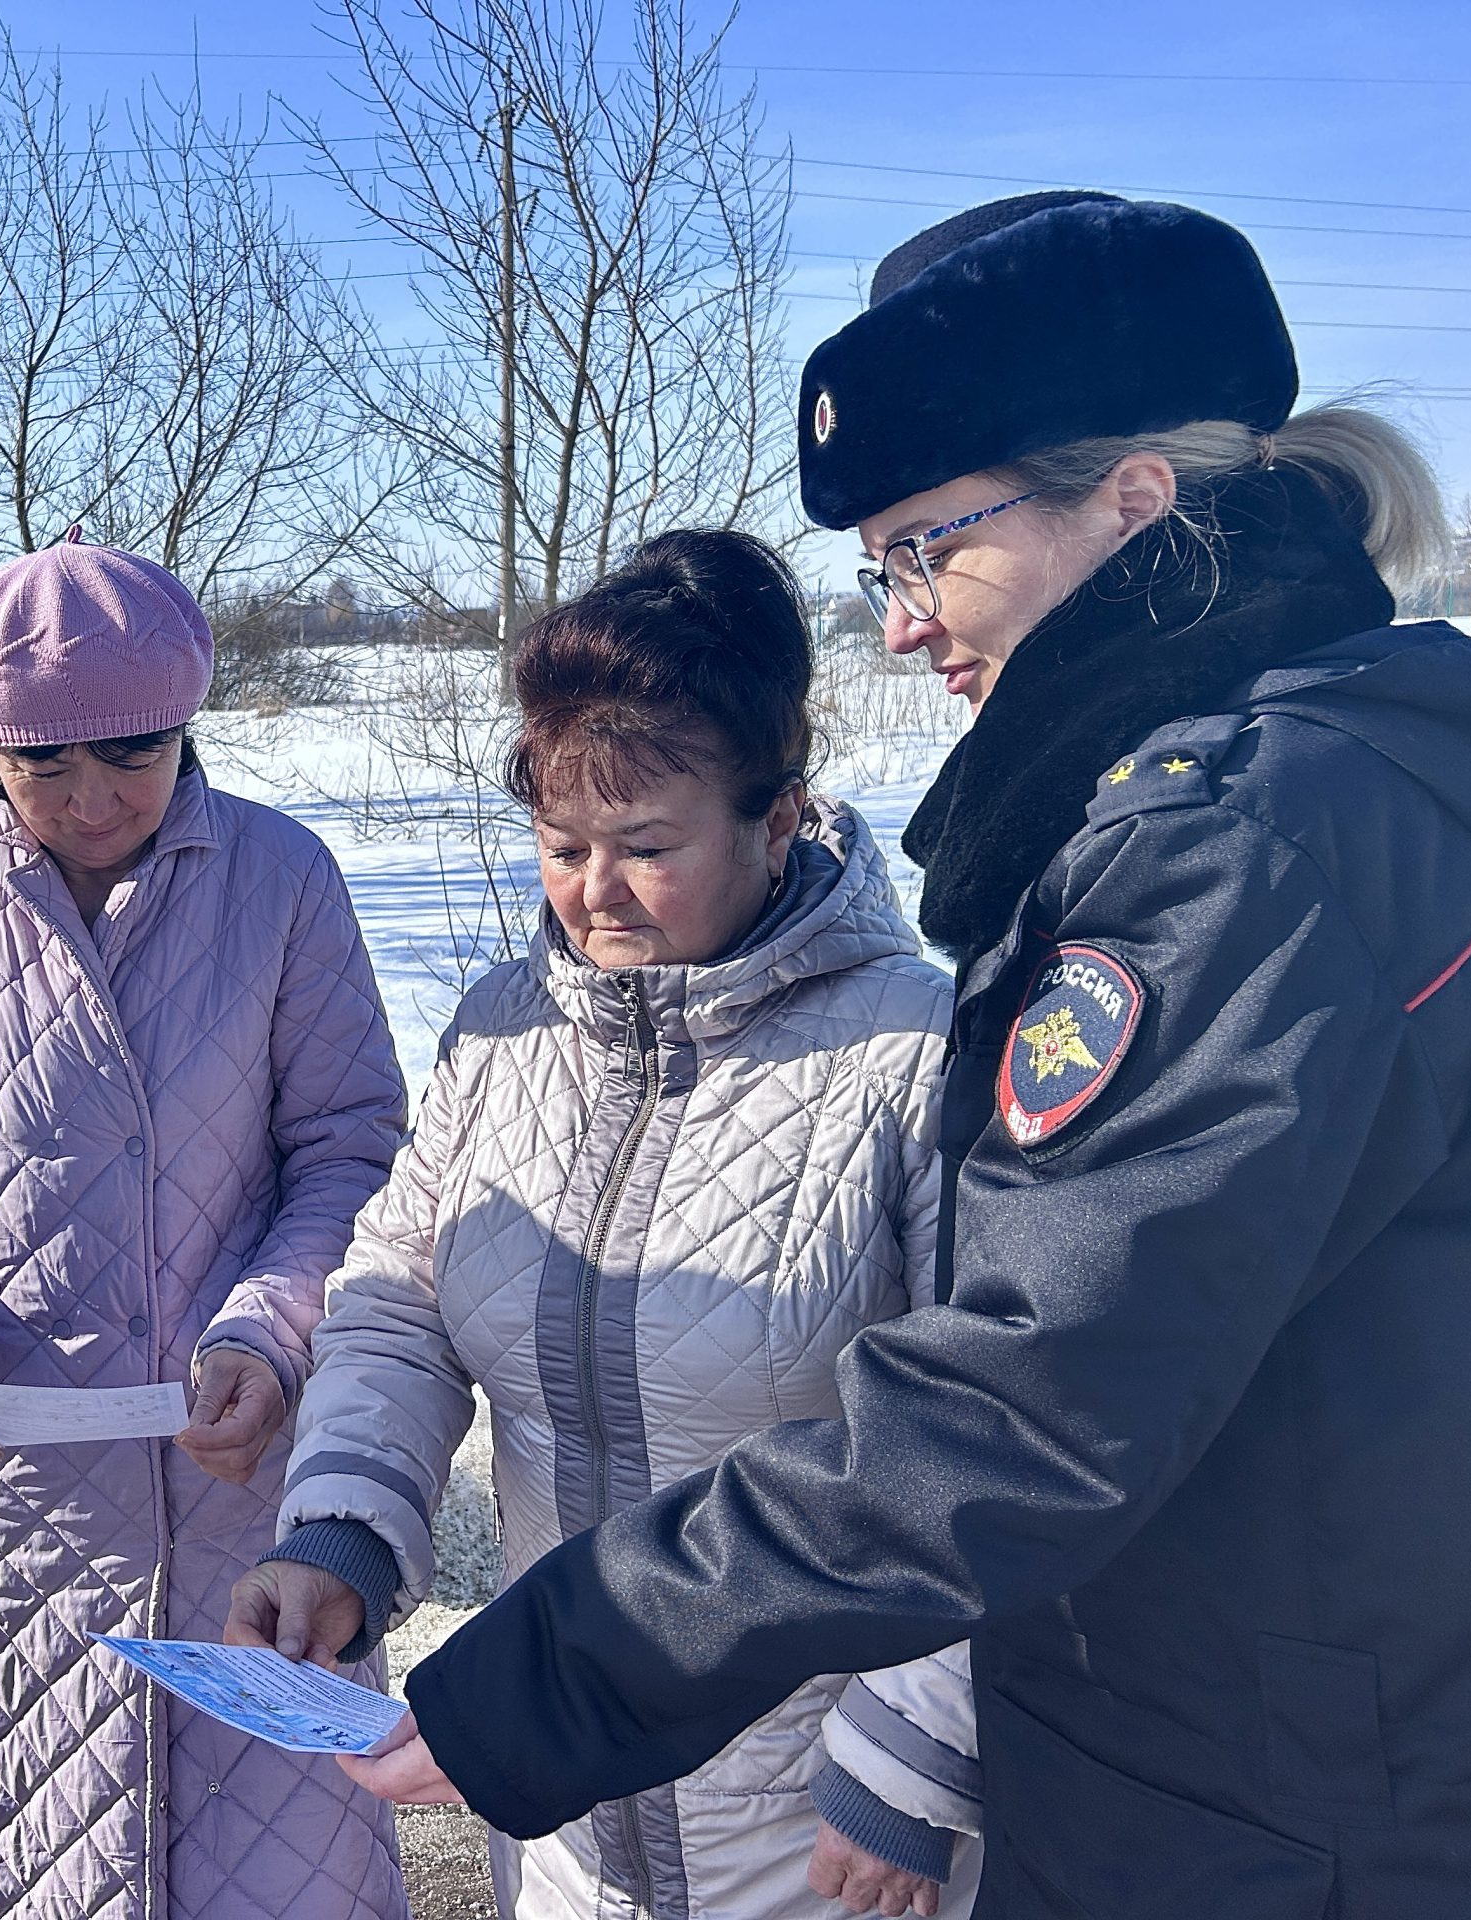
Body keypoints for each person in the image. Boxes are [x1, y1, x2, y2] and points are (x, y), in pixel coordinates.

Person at [340, 190, 1471, 1916]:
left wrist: (574, 1660)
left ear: (1132, 505)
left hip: (1290, 1803)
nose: (903, 620)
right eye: (879, 565)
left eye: (928, 549)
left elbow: (1024, 1399)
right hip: (1315, 1738)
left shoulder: (1245, 847)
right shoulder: (1324, 779)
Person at [225, 529, 981, 1920]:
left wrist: (916, 1762)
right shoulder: (503, 1035)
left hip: (818, 1823)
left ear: (778, 819)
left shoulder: (915, 1053)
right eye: (563, 846)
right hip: (560, 1802)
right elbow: (397, 1299)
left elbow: (990, 1438)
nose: (595, 891)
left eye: (646, 847)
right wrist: (338, 1530)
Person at [0, 532, 413, 1920]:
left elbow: (353, 1157)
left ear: (188, 727)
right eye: (44, 767)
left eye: (133, 756)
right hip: (9, 1520)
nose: (91, 800)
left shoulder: (282, 880)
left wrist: (270, 1331)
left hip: (242, 1499)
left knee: (288, 1879)